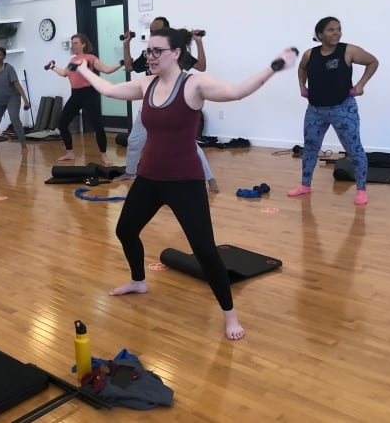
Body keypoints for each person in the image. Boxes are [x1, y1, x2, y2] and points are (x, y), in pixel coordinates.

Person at [74, 27, 298, 340]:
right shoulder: (146, 83)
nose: (149, 56)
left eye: (156, 51)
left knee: (205, 251)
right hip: (150, 177)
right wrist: (85, 71)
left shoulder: (194, 84)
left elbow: (235, 92)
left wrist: (273, 68)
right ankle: (139, 281)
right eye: (148, 50)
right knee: (125, 230)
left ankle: (230, 315)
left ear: (176, 53)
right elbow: (110, 91)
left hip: (184, 181)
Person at [116, 17, 218, 193]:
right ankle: (130, 172)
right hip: (150, 106)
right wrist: (126, 44)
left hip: (174, 106)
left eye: (156, 31)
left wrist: (199, 42)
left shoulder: (175, 54)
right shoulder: (147, 54)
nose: (153, 34)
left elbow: (201, 67)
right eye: (151, 31)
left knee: (189, 145)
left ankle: (210, 179)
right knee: (134, 140)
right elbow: (128, 68)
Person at [289, 16, 378, 205]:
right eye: (331, 30)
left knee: (354, 149)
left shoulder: (349, 50)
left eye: (338, 29)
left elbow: (373, 62)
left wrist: (361, 85)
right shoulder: (309, 54)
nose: (336, 32)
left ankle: (361, 190)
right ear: (320, 34)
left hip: (343, 109)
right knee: (311, 148)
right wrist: (302, 87)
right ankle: (305, 186)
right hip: (315, 110)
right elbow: (302, 69)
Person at [46, 33, 122, 166]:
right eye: (72, 43)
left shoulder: (90, 58)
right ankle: (69, 152)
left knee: (98, 125)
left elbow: (106, 70)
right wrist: (52, 67)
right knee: (62, 124)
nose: (73, 45)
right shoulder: (71, 61)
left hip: (89, 94)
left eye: (75, 43)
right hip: (75, 95)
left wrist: (121, 63)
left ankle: (104, 156)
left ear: (83, 44)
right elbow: (64, 73)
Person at [0, 46, 31, 153]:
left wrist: (26, 100)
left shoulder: (9, 68)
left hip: (12, 97)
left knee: (14, 119)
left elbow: (17, 84)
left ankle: (24, 146)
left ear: (4, 57)